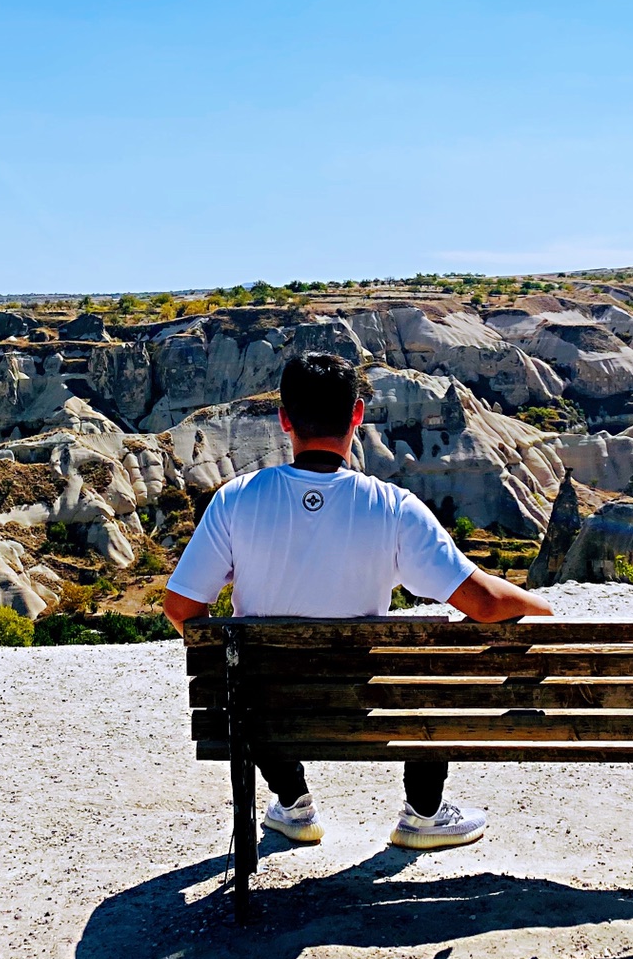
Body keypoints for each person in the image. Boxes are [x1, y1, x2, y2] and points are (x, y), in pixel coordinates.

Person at [163, 352, 552, 850]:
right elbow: (484, 604)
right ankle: (426, 813)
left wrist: (224, 652)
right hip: (367, 706)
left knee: (245, 682)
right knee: (430, 663)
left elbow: (181, 608)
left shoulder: (235, 500)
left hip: (267, 709)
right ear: (357, 415)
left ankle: (294, 804)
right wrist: (543, 607)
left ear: (283, 418)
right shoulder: (394, 508)